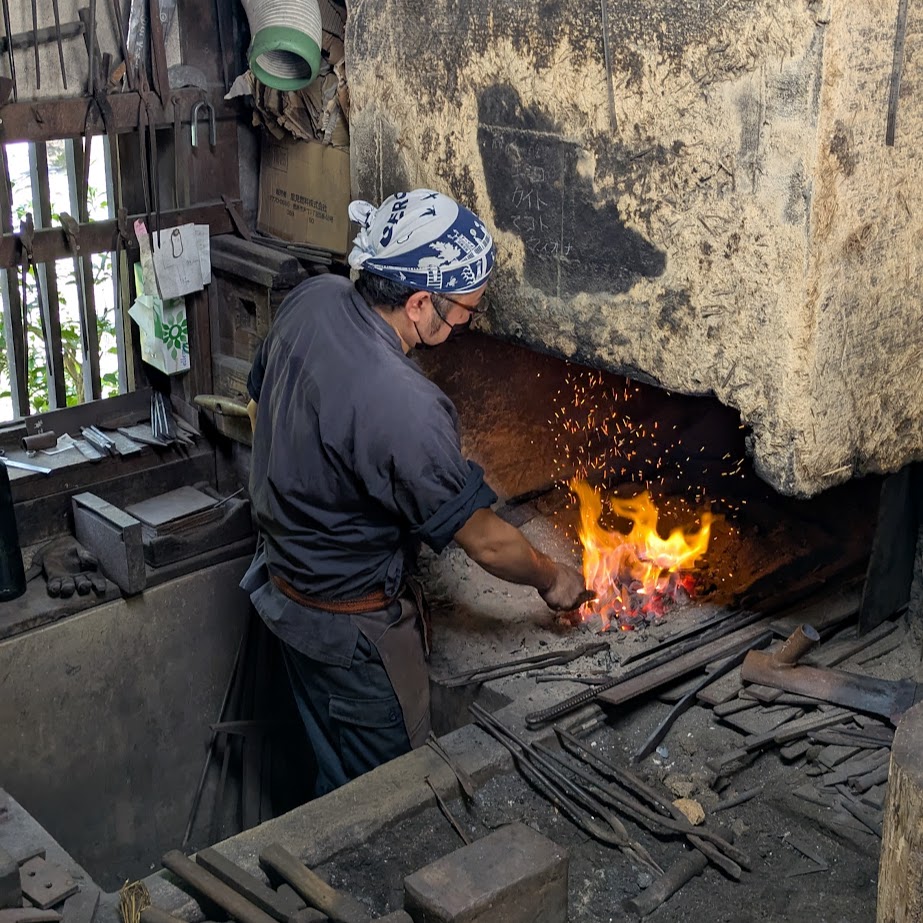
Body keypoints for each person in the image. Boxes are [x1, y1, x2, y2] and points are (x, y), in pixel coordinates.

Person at [240, 189, 591, 797]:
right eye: (464, 314)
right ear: (421, 302)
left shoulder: (312, 299)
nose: (464, 326)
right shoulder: (405, 404)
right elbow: (484, 543)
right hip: (350, 633)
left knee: (329, 759)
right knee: (389, 799)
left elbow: (259, 397)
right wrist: (550, 576)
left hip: (282, 588)